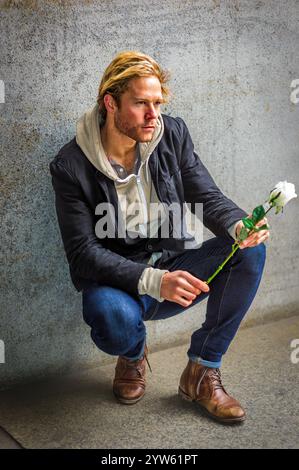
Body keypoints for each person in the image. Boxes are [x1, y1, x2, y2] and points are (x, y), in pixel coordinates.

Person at [50, 51, 269, 424]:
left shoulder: (172, 134)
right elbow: (83, 253)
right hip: (120, 285)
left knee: (249, 251)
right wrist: (154, 281)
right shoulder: (71, 165)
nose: (154, 115)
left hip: (174, 267)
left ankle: (202, 371)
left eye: (157, 103)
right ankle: (133, 353)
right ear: (111, 102)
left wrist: (238, 225)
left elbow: (206, 196)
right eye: (140, 104)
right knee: (112, 318)